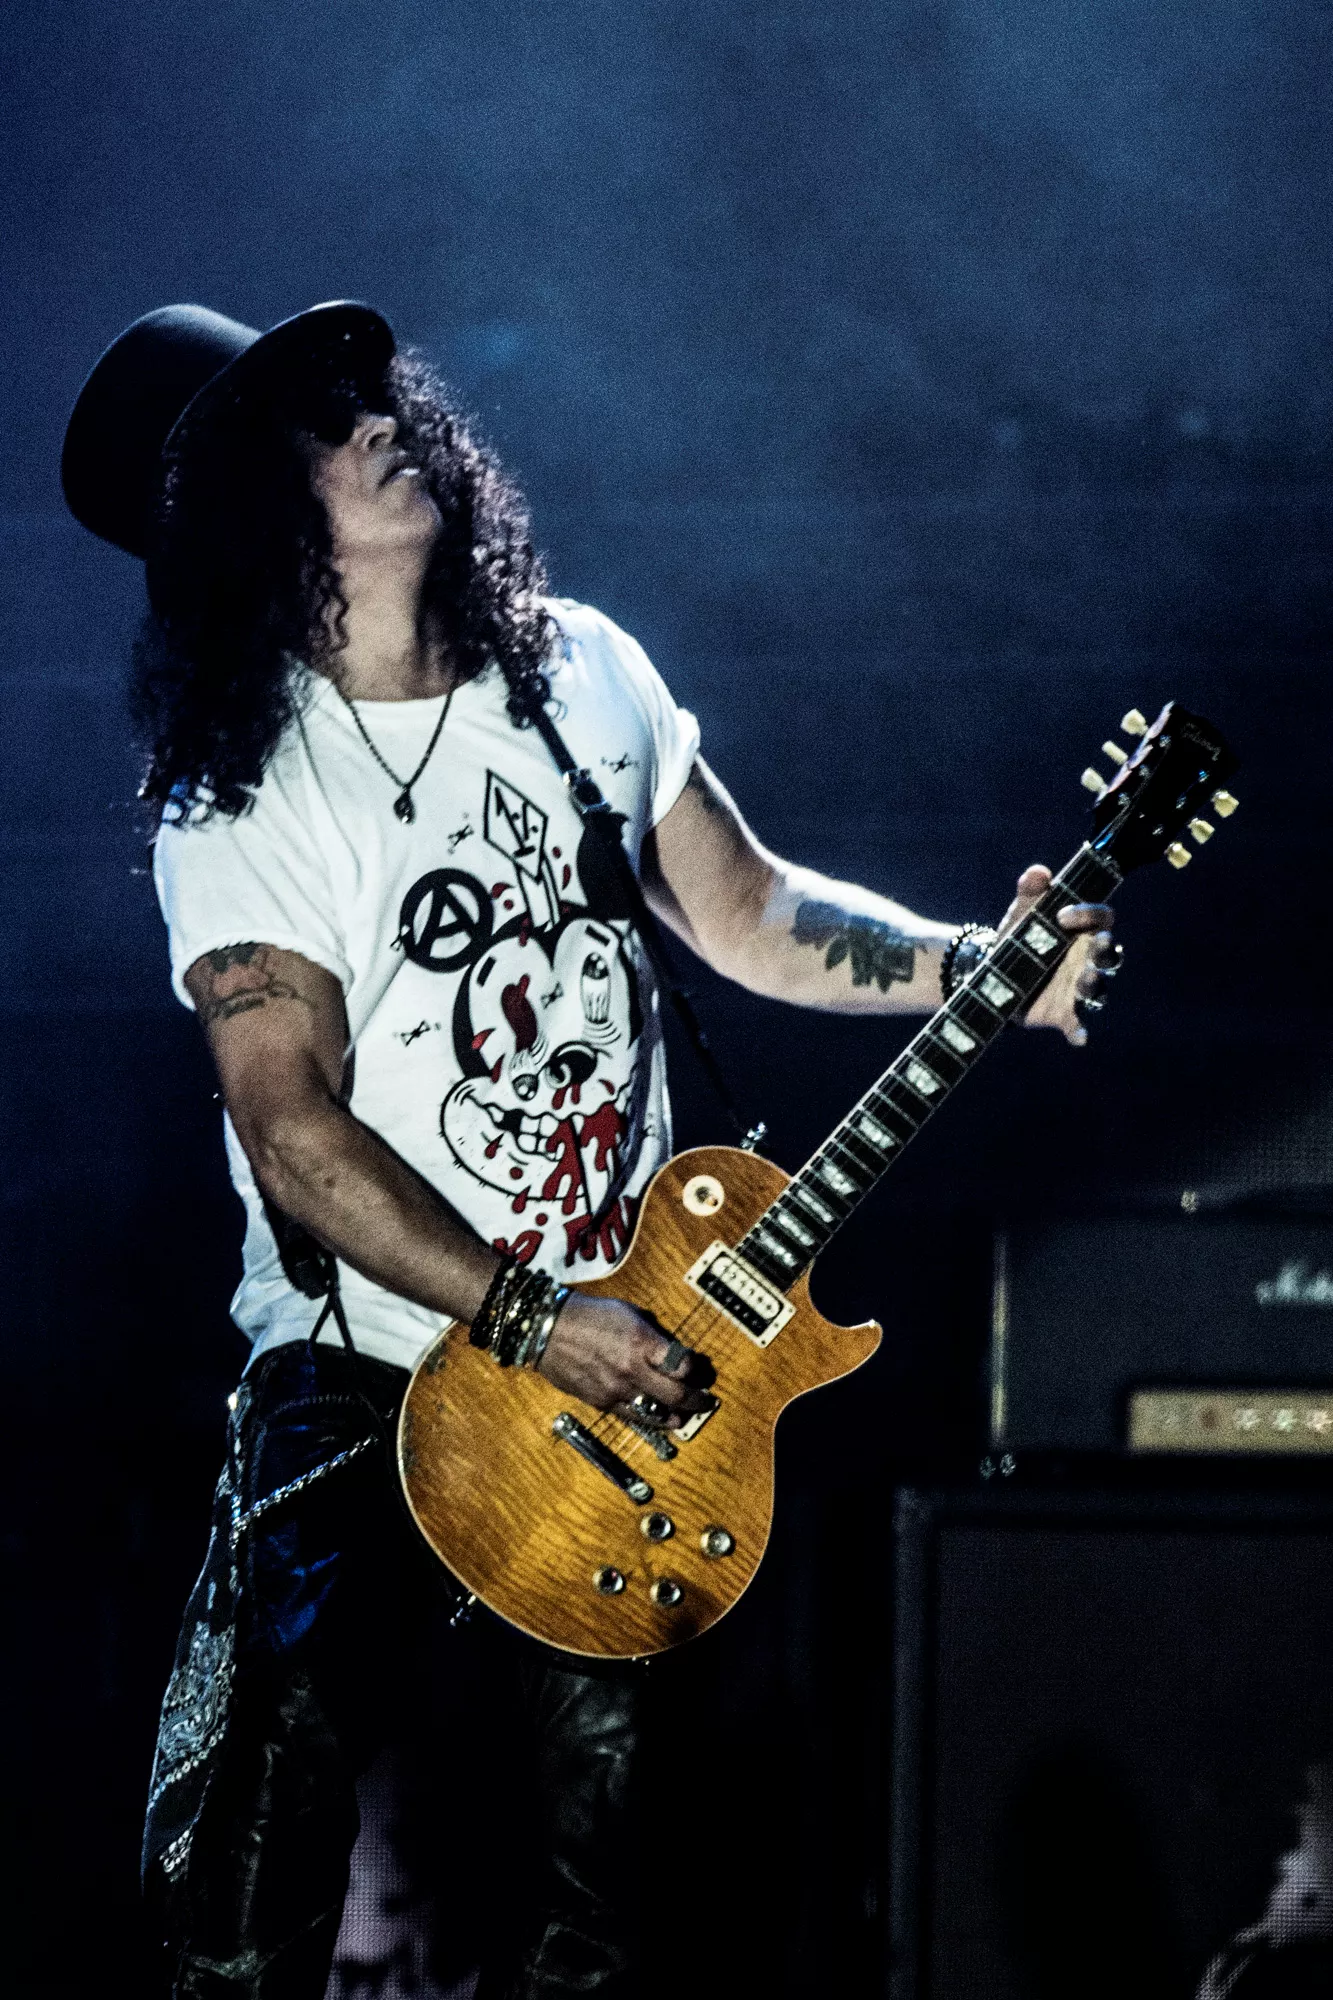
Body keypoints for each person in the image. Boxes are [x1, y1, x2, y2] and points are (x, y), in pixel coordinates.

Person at [62, 300, 1118, 1999]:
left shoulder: (577, 674)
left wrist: (977, 967)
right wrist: (525, 1315)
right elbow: (292, 1128)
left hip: (623, 1374)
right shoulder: (249, 789)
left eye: (372, 394)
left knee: (620, 1905)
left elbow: (750, 912)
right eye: (318, 424)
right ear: (246, 517)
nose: (381, 422)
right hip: (371, 1366)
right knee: (250, 1882)